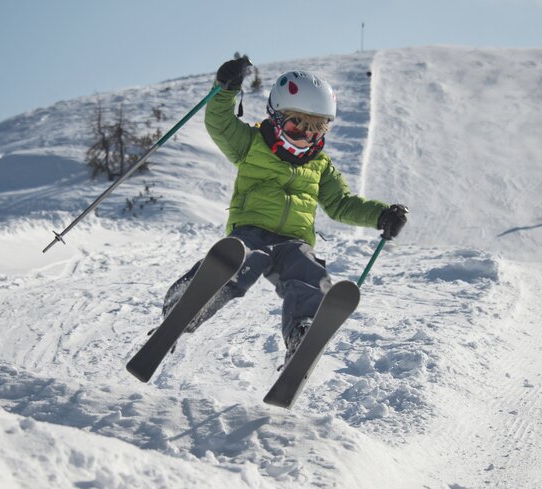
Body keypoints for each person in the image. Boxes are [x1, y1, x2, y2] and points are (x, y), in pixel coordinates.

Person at [161, 58, 408, 364]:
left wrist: (381, 215)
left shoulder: (321, 165)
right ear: (276, 117)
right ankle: (185, 307)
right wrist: (226, 90)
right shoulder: (251, 143)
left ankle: (302, 331)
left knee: (309, 275)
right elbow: (220, 124)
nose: (305, 136)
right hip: (251, 232)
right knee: (238, 262)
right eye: (296, 125)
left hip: (294, 241)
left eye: (316, 130)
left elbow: (341, 203)